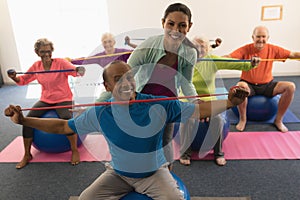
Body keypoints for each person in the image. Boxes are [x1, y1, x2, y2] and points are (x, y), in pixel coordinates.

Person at [5, 60, 249, 200]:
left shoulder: (156, 103)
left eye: (130, 78)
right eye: (119, 79)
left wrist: (230, 102)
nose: (126, 83)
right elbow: (62, 126)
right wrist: (24, 121)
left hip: (154, 173)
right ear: (107, 85)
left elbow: (198, 111)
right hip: (118, 174)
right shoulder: (100, 112)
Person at [124, 2, 200, 170]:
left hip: (168, 102)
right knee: (141, 140)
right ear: (163, 23)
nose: (176, 30)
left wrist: (195, 103)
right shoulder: (148, 46)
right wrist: (117, 96)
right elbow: (127, 72)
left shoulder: (190, 52)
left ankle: (167, 175)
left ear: (189, 27)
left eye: (182, 25)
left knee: (165, 142)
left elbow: (187, 82)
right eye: (170, 24)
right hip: (142, 101)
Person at [179, 36, 260, 166]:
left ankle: (218, 152)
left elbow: (231, 63)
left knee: (217, 119)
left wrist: (251, 63)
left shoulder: (212, 60)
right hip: (189, 98)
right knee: (188, 119)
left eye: (202, 47)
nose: (199, 50)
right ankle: (185, 152)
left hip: (209, 99)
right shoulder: (184, 60)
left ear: (207, 49)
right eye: (196, 47)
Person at [7, 38, 85, 169]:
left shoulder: (61, 63)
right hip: (46, 100)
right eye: (43, 52)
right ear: (37, 52)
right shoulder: (36, 66)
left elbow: (75, 72)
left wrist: (79, 70)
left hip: (63, 98)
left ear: (52, 51)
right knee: (26, 120)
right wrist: (14, 77)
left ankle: (74, 150)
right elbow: (23, 80)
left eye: (48, 51)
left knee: (66, 119)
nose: (46, 54)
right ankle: (27, 154)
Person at [227, 25, 300, 132]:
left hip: (267, 85)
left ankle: (278, 120)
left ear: (267, 38)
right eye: (258, 37)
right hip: (248, 84)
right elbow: (229, 57)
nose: (261, 40)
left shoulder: (273, 49)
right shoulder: (245, 49)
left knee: (290, 87)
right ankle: (243, 120)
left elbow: (292, 54)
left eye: (263, 37)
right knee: (240, 87)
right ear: (253, 37)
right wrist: (214, 59)